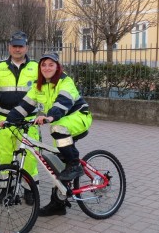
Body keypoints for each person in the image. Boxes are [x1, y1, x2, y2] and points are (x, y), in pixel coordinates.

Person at [5, 52, 93, 216]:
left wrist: (50, 116)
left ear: (57, 67)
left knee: (57, 130)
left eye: (51, 65)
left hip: (78, 117)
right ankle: (58, 203)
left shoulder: (65, 82)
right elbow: (25, 105)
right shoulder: (38, 85)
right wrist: (9, 120)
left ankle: (75, 164)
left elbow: (63, 102)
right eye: (43, 65)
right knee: (58, 163)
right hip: (60, 122)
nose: (47, 68)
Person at [0, 31, 40, 205]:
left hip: (28, 120)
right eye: (14, 46)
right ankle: (6, 189)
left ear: (27, 47)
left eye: (21, 46)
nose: (17, 49)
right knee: (4, 155)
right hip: (5, 119)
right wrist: (6, 102)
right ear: (9, 47)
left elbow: (42, 91)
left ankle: (29, 190)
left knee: (30, 157)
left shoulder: (36, 67)